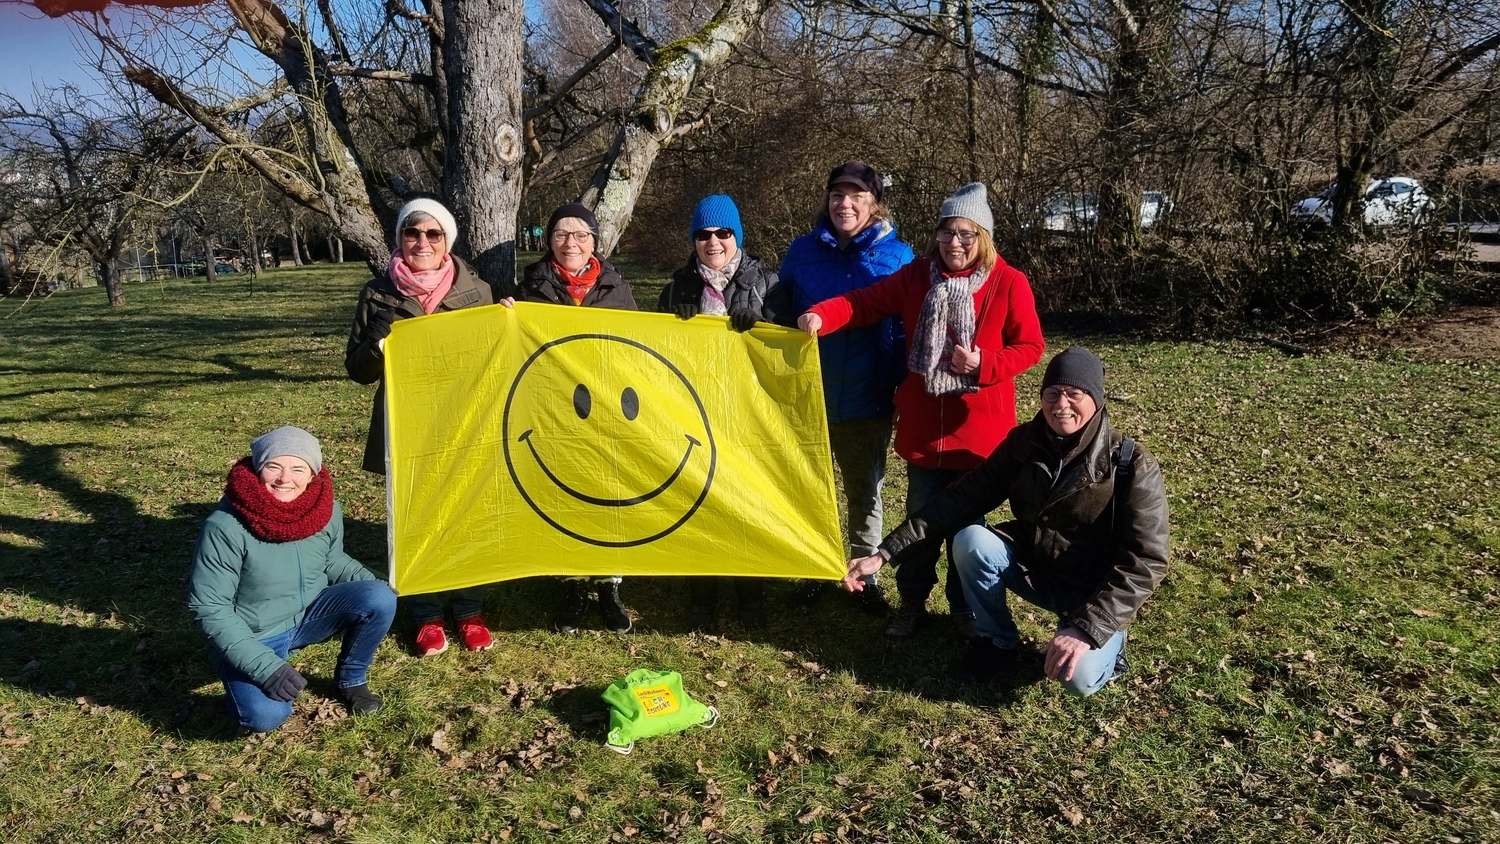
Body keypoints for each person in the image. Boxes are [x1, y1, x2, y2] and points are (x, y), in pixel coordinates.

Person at [842, 348, 1169, 695]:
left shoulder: (1131, 463)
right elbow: (959, 499)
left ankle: (1110, 648)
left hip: (1092, 589)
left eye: (1075, 394)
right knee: (971, 540)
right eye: (1052, 393)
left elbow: (1147, 560)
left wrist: (1088, 628)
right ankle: (997, 642)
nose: (1062, 404)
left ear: (1097, 400)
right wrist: (884, 553)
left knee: (1077, 679)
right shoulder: (1022, 443)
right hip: (1037, 567)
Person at [799, 182, 1045, 638]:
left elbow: (1030, 346)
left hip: (979, 437)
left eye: (966, 234)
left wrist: (985, 364)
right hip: (924, 433)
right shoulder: (915, 276)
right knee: (918, 524)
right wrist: (821, 315)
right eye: (947, 233)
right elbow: (862, 303)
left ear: (983, 238)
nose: (954, 243)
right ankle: (910, 601)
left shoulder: (1009, 282)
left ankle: (963, 608)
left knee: (967, 530)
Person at [345, 197, 498, 657]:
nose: (422, 242)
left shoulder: (479, 292)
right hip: (406, 423)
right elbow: (357, 369)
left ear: (447, 240)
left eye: (433, 234)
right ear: (400, 239)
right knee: (412, 520)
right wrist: (377, 342)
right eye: (413, 233)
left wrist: (508, 321)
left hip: (463, 421)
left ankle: (469, 610)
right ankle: (427, 615)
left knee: (466, 515)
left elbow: (495, 360)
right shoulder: (377, 293)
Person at [188, 427, 398, 732]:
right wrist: (267, 667)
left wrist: (384, 584)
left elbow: (332, 559)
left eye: (298, 468)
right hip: (254, 634)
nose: (285, 479)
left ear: (313, 474)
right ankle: (242, 677)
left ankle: (352, 679)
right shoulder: (225, 527)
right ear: (258, 468)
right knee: (264, 716)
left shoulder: (325, 509)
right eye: (274, 466)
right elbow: (210, 607)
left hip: (308, 615)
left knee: (380, 596)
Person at [778, 161, 915, 616]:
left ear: (874, 203)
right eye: (838, 194)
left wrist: (900, 390)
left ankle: (864, 574)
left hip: (868, 395)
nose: (845, 203)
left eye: (856, 195)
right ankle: (814, 565)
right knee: (808, 487)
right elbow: (777, 311)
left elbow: (907, 330)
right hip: (808, 395)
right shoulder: (801, 252)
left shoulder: (898, 258)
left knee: (865, 491)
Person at [659, 194, 790, 630]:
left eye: (723, 233)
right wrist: (673, 324)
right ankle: (702, 598)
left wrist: (762, 325)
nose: (713, 241)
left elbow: (789, 351)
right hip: (694, 410)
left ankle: (750, 597)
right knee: (698, 502)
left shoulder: (769, 283)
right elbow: (654, 354)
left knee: (745, 503)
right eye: (703, 234)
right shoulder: (677, 286)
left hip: (748, 412)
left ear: (738, 236)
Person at [514, 202, 637, 633]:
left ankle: (608, 586)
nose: (571, 243)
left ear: (594, 242)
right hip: (554, 410)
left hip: (607, 413)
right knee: (563, 496)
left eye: (581, 234)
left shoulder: (617, 288)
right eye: (562, 234)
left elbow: (639, 350)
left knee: (607, 498)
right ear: (549, 240)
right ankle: (569, 586)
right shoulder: (530, 286)